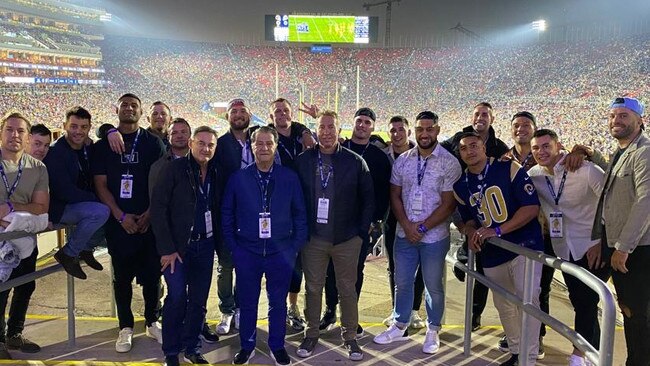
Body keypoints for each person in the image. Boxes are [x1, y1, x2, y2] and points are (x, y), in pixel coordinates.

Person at [373, 111, 461, 354]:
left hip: (434, 237)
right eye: (420, 129)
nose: (425, 134)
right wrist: (407, 225)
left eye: (429, 129)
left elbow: (448, 204)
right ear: (415, 130)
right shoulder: (404, 160)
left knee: (433, 285)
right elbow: (395, 195)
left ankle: (433, 329)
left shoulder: (448, 162)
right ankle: (399, 324)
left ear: (437, 130)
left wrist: (422, 227)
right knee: (402, 282)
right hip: (404, 234)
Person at [453, 132, 544, 366]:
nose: (470, 151)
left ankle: (529, 358)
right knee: (504, 306)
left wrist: (499, 230)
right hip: (493, 253)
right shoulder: (461, 185)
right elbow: (468, 220)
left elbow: (531, 207)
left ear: (484, 148)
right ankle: (516, 352)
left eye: (474, 145)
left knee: (528, 302)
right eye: (464, 148)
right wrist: (470, 231)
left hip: (524, 246)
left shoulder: (508, 168)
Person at [222, 126, 308, 365]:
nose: (264, 148)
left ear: (275, 146)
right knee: (247, 303)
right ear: (251, 146)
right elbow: (227, 214)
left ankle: (277, 345)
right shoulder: (239, 178)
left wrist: (293, 248)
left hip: (280, 252)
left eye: (268, 143)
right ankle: (247, 346)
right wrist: (235, 248)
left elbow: (300, 214)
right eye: (259, 143)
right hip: (247, 252)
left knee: (277, 303)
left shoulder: (289, 177)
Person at [295, 110, 374, 361]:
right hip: (314, 239)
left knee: (347, 290)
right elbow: (294, 199)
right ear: (316, 130)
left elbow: (368, 199)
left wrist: (361, 233)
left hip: (347, 238)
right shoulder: (304, 160)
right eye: (322, 127)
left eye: (331, 127)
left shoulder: (354, 161)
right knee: (313, 288)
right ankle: (311, 333)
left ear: (339, 131)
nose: (327, 132)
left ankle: (350, 337)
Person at [528, 128, 609, 366]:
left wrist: (602, 241)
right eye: (536, 148)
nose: (541, 152)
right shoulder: (534, 175)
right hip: (564, 247)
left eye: (546, 146)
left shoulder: (585, 170)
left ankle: (579, 354)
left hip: (594, 246)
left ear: (558, 145)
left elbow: (612, 203)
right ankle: (594, 351)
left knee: (586, 300)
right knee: (581, 300)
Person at [92, 93, 166, 352]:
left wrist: (149, 213)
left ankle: (152, 321)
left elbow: (160, 182)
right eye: (125, 105)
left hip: (147, 221)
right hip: (119, 221)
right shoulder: (103, 145)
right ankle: (125, 326)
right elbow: (100, 184)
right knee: (121, 278)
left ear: (140, 111)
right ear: (117, 109)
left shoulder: (153, 143)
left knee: (153, 275)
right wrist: (120, 215)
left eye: (134, 106)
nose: (129, 109)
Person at [151, 126, 220, 366]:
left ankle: (192, 347)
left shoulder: (215, 171)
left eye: (211, 144)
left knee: (199, 300)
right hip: (178, 250)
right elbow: (158, 210)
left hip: (206, 245)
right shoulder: (174, 169)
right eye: (201, 143)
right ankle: (171, 351)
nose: (206, 148)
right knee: (177, 297)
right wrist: (167, 249)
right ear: (191, 143)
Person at [320, 107, 391, 338]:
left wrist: (373, 222)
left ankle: (350, 316)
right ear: (353, 123)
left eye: (367, 122)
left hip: (360, 227)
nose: (362, 125)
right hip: (331, 223)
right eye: (359, 121)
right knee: (329, 271)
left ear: (373, 127)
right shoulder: (338, 149)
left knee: (354, 273)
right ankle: (330, 310)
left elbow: (382, 193)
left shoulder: (379, 158)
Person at [592, 97, 650, 366]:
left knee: (637, 314)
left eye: (624, 115)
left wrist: (623, 247)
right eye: (613, 115)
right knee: (631, 311)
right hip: (622, 246)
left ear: (640, 121)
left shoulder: (644, 152)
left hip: (637, 249)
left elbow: (645, 201)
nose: (616, 120)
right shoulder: (621, 151)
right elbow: (614, 184)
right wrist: (591, 156)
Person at [442, 102, 509, 332]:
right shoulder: (456, 140)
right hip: (464, 205)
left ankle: (475, 314)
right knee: (471, 263)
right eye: (477, 114)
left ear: (492, 118)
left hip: (491, 215)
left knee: (483, 268)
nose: (480, 118)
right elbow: (435, 149)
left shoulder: (500, 147)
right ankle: (462, 256)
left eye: (485, 115)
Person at [0, 112, 49, 359]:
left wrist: (8, 209)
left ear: (27, 137)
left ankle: (15, 333)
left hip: (24, 238)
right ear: (1, 132)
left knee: (25, 284)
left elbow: (41, 207)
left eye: (20, 131)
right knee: (0, 289)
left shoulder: (37, 167)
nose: (15, 135)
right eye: (9, 129)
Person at [44, 107, 109, 280]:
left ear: (89, 128)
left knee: (110, 205)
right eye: (74, 126)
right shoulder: (56, 153)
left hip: (79, 202)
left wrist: (109, 131)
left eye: (83, 127)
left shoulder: (87, 147)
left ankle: (86, 249)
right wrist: (96, 198)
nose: (78, 131)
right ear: (64, 126)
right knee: (102, 210)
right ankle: (68, 253)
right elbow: (64, 191)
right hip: (61, 206)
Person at [267, 97, 314, 332]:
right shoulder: (267, 136)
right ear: (271, 116)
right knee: (280, 261)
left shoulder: (299, 133)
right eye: (278, 111)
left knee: (299, 265)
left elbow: (318, 142)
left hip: (304, 208)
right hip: (279, 210)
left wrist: (309, 126)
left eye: (286, 110)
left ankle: (292, 306)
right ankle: (278, 306)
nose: (282, 114)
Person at [213, 98, 255, 334]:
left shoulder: (258, 139)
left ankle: (240, 308)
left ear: (249, 114)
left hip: (254, 216)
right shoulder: (220, 145)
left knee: (246, 267)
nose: (238, 115)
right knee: (226, 266)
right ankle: (227, 309)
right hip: (228, 215)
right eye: (234, 111)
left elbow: (290, 129)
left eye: (242, 111)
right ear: (227, 116)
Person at [380, 115, 426, 329]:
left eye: (401, 129)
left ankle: (414, 310)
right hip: (391, 217)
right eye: (393, 130)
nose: (397, 134)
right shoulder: (383, 155)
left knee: (421, 266)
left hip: (419, 217)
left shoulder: (424, 155)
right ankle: (397, 308)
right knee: (395, 266)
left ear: (408, 132)